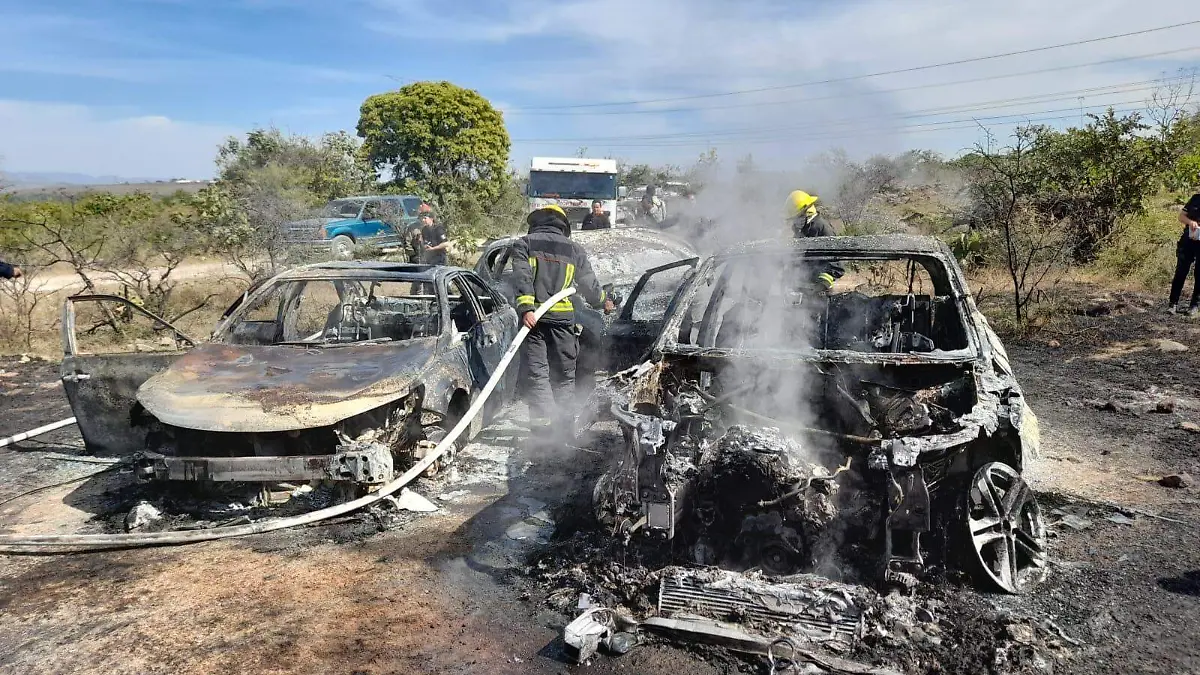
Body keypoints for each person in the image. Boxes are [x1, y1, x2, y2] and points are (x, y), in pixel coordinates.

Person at [511, 205, 614, 430]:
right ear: (563, 224)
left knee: (537, 374)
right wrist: (604, 300)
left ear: (535, 222)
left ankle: (542, 431)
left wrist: (527, 308)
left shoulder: (524, 244)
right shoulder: (574, 249)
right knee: (565, 376)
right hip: (563, 321)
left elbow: (522, 277)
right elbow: (588, 284)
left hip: (534, 323)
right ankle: (564, 428)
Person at [787, 190, 844, 293]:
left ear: (807, 212)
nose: (795, 222)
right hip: (802, 291)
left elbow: (836, 266)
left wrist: (821, 286)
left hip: (819, 294)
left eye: (797, 217)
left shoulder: (823, 228)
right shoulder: (802, 231)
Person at [1169, 192, 1200, 315]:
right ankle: (1173, 304)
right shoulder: (1195, 198)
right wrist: (1190, 222)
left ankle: (1194, 306)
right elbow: (1181, 216)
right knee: (1181, 271)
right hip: (1188, 239)